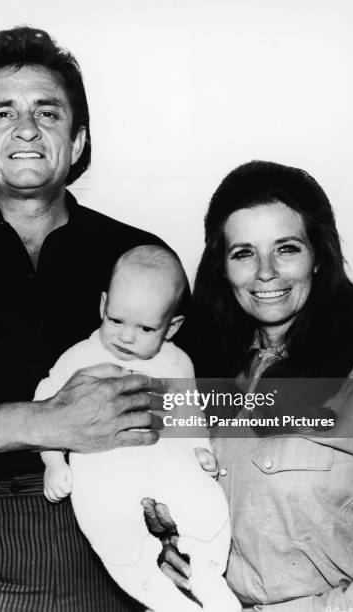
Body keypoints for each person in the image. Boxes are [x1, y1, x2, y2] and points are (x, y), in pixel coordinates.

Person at [0, 26, 176, 612]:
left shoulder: (142, 259)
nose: (26, 129)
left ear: (77, 138)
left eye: (48, 111)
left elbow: (197, 397)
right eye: (2, 113)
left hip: (124, 546)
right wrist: (41, 423)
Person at [145, 161, 353, 611]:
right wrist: (172, 549)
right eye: (243, 252)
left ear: (319, 256)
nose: (265, 271)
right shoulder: (201, 373)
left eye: (286, 248)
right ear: (222, 268)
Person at [35, 244, 239, 612]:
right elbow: (45, 410)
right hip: (105, 470)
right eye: (115, 321)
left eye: (145, 328)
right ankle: (158, 596)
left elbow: (189, 409)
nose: (126, 337)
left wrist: (201, 449)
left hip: (170, 462)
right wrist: (54, 462)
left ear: (171, 326)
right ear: (102, 306)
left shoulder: (177, 360)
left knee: (206, 505)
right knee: (109, 527)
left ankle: (208, 574)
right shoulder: (79, 358)